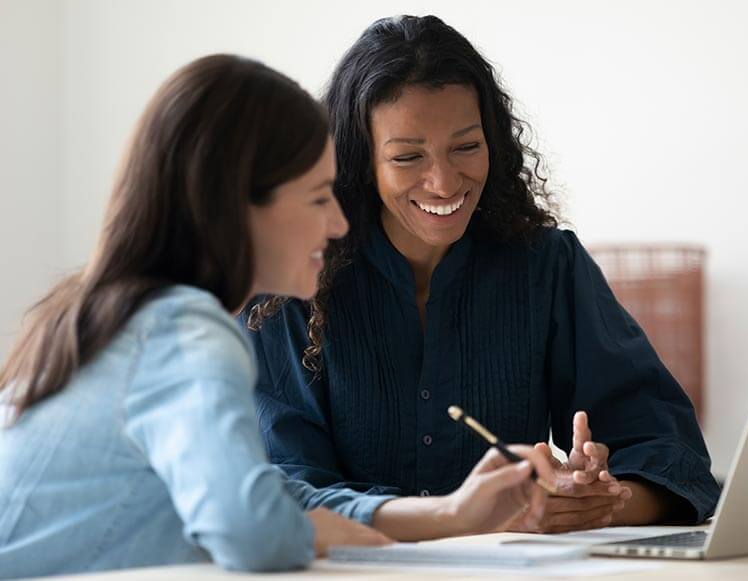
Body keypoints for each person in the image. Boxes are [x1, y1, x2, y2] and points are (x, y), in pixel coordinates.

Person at [0, 54, 554, 579]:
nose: (339, 223)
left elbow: (260, 496)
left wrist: (452, 515)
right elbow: (253, 531)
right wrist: (317, 532)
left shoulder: (117, 317)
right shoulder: (184, 331)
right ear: (236, 206)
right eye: (317, 198)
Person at [243, 15, 721, 534]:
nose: (444, 182)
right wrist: (461, 517)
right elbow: (285, 491)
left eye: (467, 147)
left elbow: (675, 456)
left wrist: (593, 502)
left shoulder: (547, 266)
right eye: (407, 156)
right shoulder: (292, 282)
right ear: (360, 162)